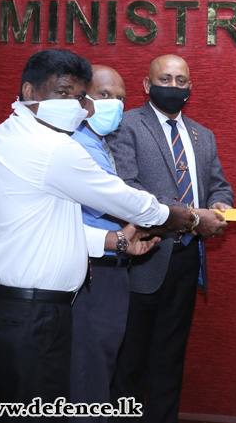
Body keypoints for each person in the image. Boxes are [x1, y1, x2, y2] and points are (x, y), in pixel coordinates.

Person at [0, 49, 226, 420]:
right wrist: (189, 220)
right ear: (28, 90)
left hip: (0, 306)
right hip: (33, 314)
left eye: (76, 96)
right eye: (62, 93)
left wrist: (113, 241)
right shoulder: (55, 149)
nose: (73, 105)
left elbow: (43, 225)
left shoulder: (3, 134)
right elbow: (132, 204)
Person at [107, 54, 233, 423]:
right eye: (165, 79)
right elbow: (126, 187)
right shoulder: (126, 126)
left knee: (170, 357)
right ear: (147, 85)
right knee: (130, 360)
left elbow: (217, 185)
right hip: (142, 256)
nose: (173, 87)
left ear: (190, 87)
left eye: (181, 81)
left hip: (185, 261)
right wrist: (194, 219)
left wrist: (220, 203)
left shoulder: (202, 135)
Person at [69, 65, 131, 422]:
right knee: (87, 375)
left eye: (121, 98)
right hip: (93, 272)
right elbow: (117, 204)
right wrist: (182, 216)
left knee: (99, 369)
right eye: (106, 95)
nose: (116, 105)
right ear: (82, 98)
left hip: (111, 265)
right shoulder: (78, 146)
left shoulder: (98, 143)